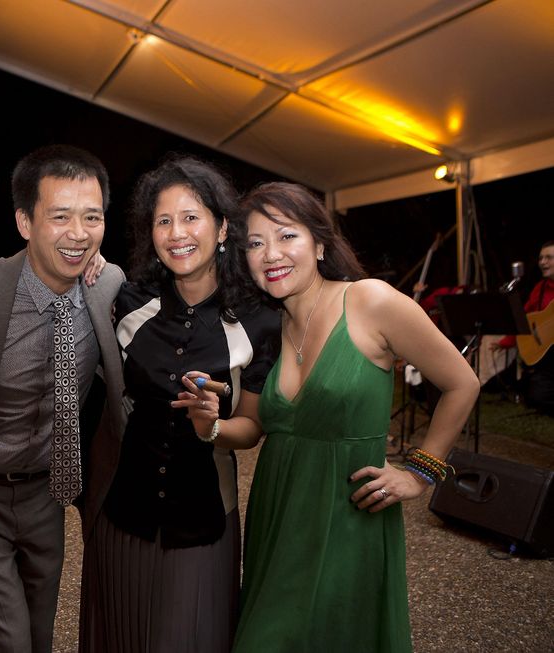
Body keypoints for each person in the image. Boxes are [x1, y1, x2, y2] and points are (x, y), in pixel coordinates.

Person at [235, 182, 480, 652]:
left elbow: (462, 383)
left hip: (348, 518)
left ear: (320, 244)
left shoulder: (370, 301)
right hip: (277, 517)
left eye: (287, 236)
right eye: (255, 243)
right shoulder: (271, 326)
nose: (271, 254)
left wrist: (420, 472)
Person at [0, 145, 126, 653]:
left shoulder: (108, 285)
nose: (78, 233)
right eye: (60, 217)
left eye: (92, 218)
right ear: (24, 222)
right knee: (9, 640)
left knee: (37, 638)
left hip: (47, 495)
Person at [79, 156, 280, 652]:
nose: (177, 233)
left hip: (204, 520)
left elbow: (252, 427)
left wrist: (212, 427)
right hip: (123, 514)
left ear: (222, 227)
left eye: (191, 217)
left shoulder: (259, 320)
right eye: (163, 221)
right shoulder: (129, 302)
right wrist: (90, 263)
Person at [493, 240, 554, 415]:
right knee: (536, 398)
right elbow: (524, 319)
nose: (543, 262)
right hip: (546, 358)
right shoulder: (540, 288)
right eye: (541, 258)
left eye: (549, 258)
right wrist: (507, 342)